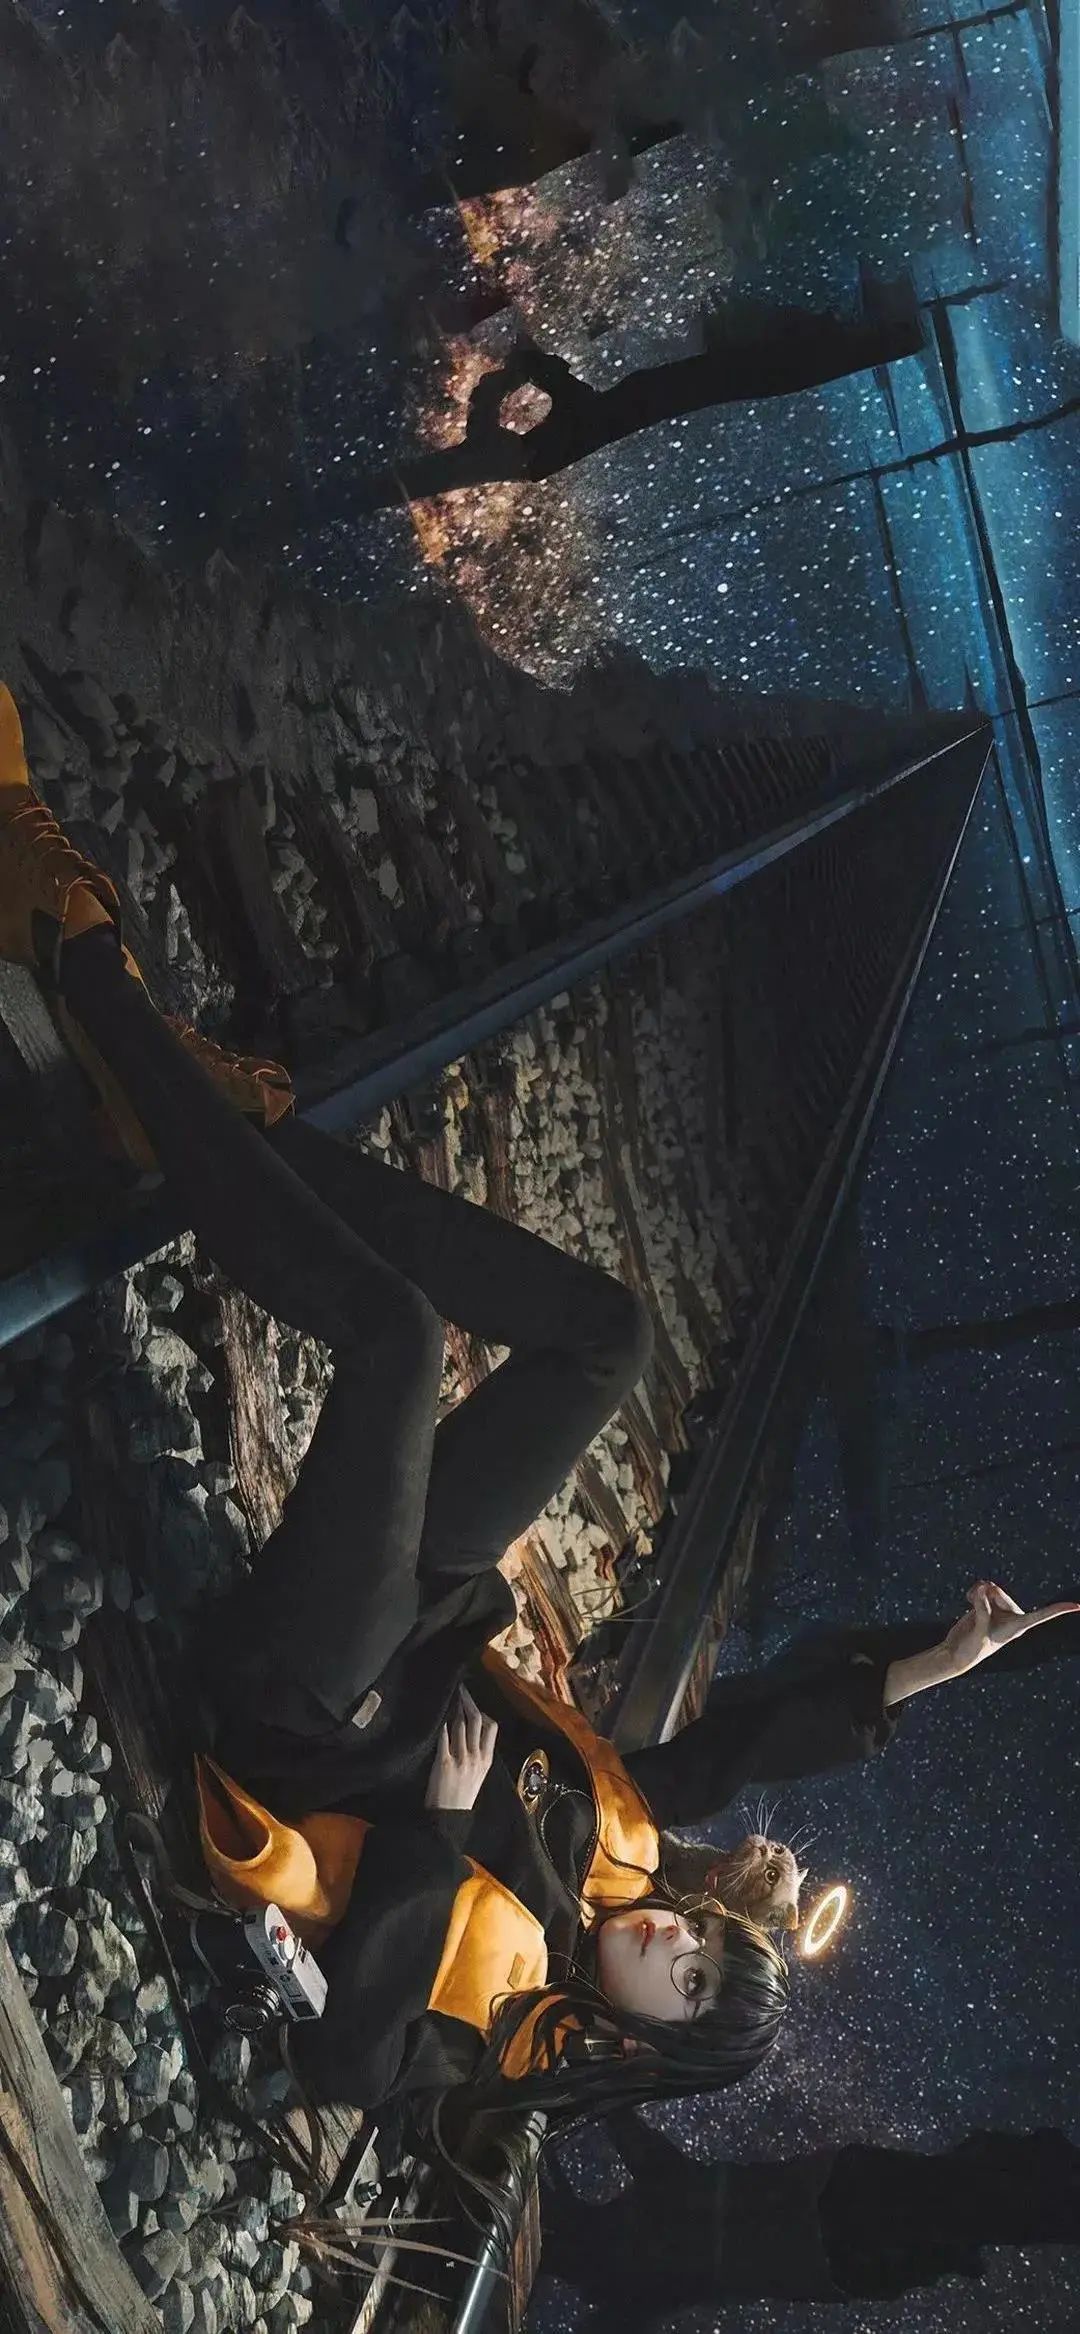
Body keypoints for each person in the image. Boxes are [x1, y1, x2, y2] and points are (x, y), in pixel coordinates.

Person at [3, 677, 1077, 2229]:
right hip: (408, 1611)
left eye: (687, 1982)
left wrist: (439, 1829)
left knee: (394, 1343)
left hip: (308, 1704)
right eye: (707, 1944)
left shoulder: (509, 2036)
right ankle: (230, 1129)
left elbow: (347, 2064)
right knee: (606, 1339)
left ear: (647, 2042)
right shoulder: (623, 1856)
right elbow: (729, 1746)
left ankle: (73, 950)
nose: (676, 1945)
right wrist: (934, 1666)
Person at [535, 2111, 1080, 2324]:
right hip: (837, 2229)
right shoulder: (654, 2265)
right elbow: (679, 2181)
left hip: (836, 2223)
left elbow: (679, 2182)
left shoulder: (658, 2255)